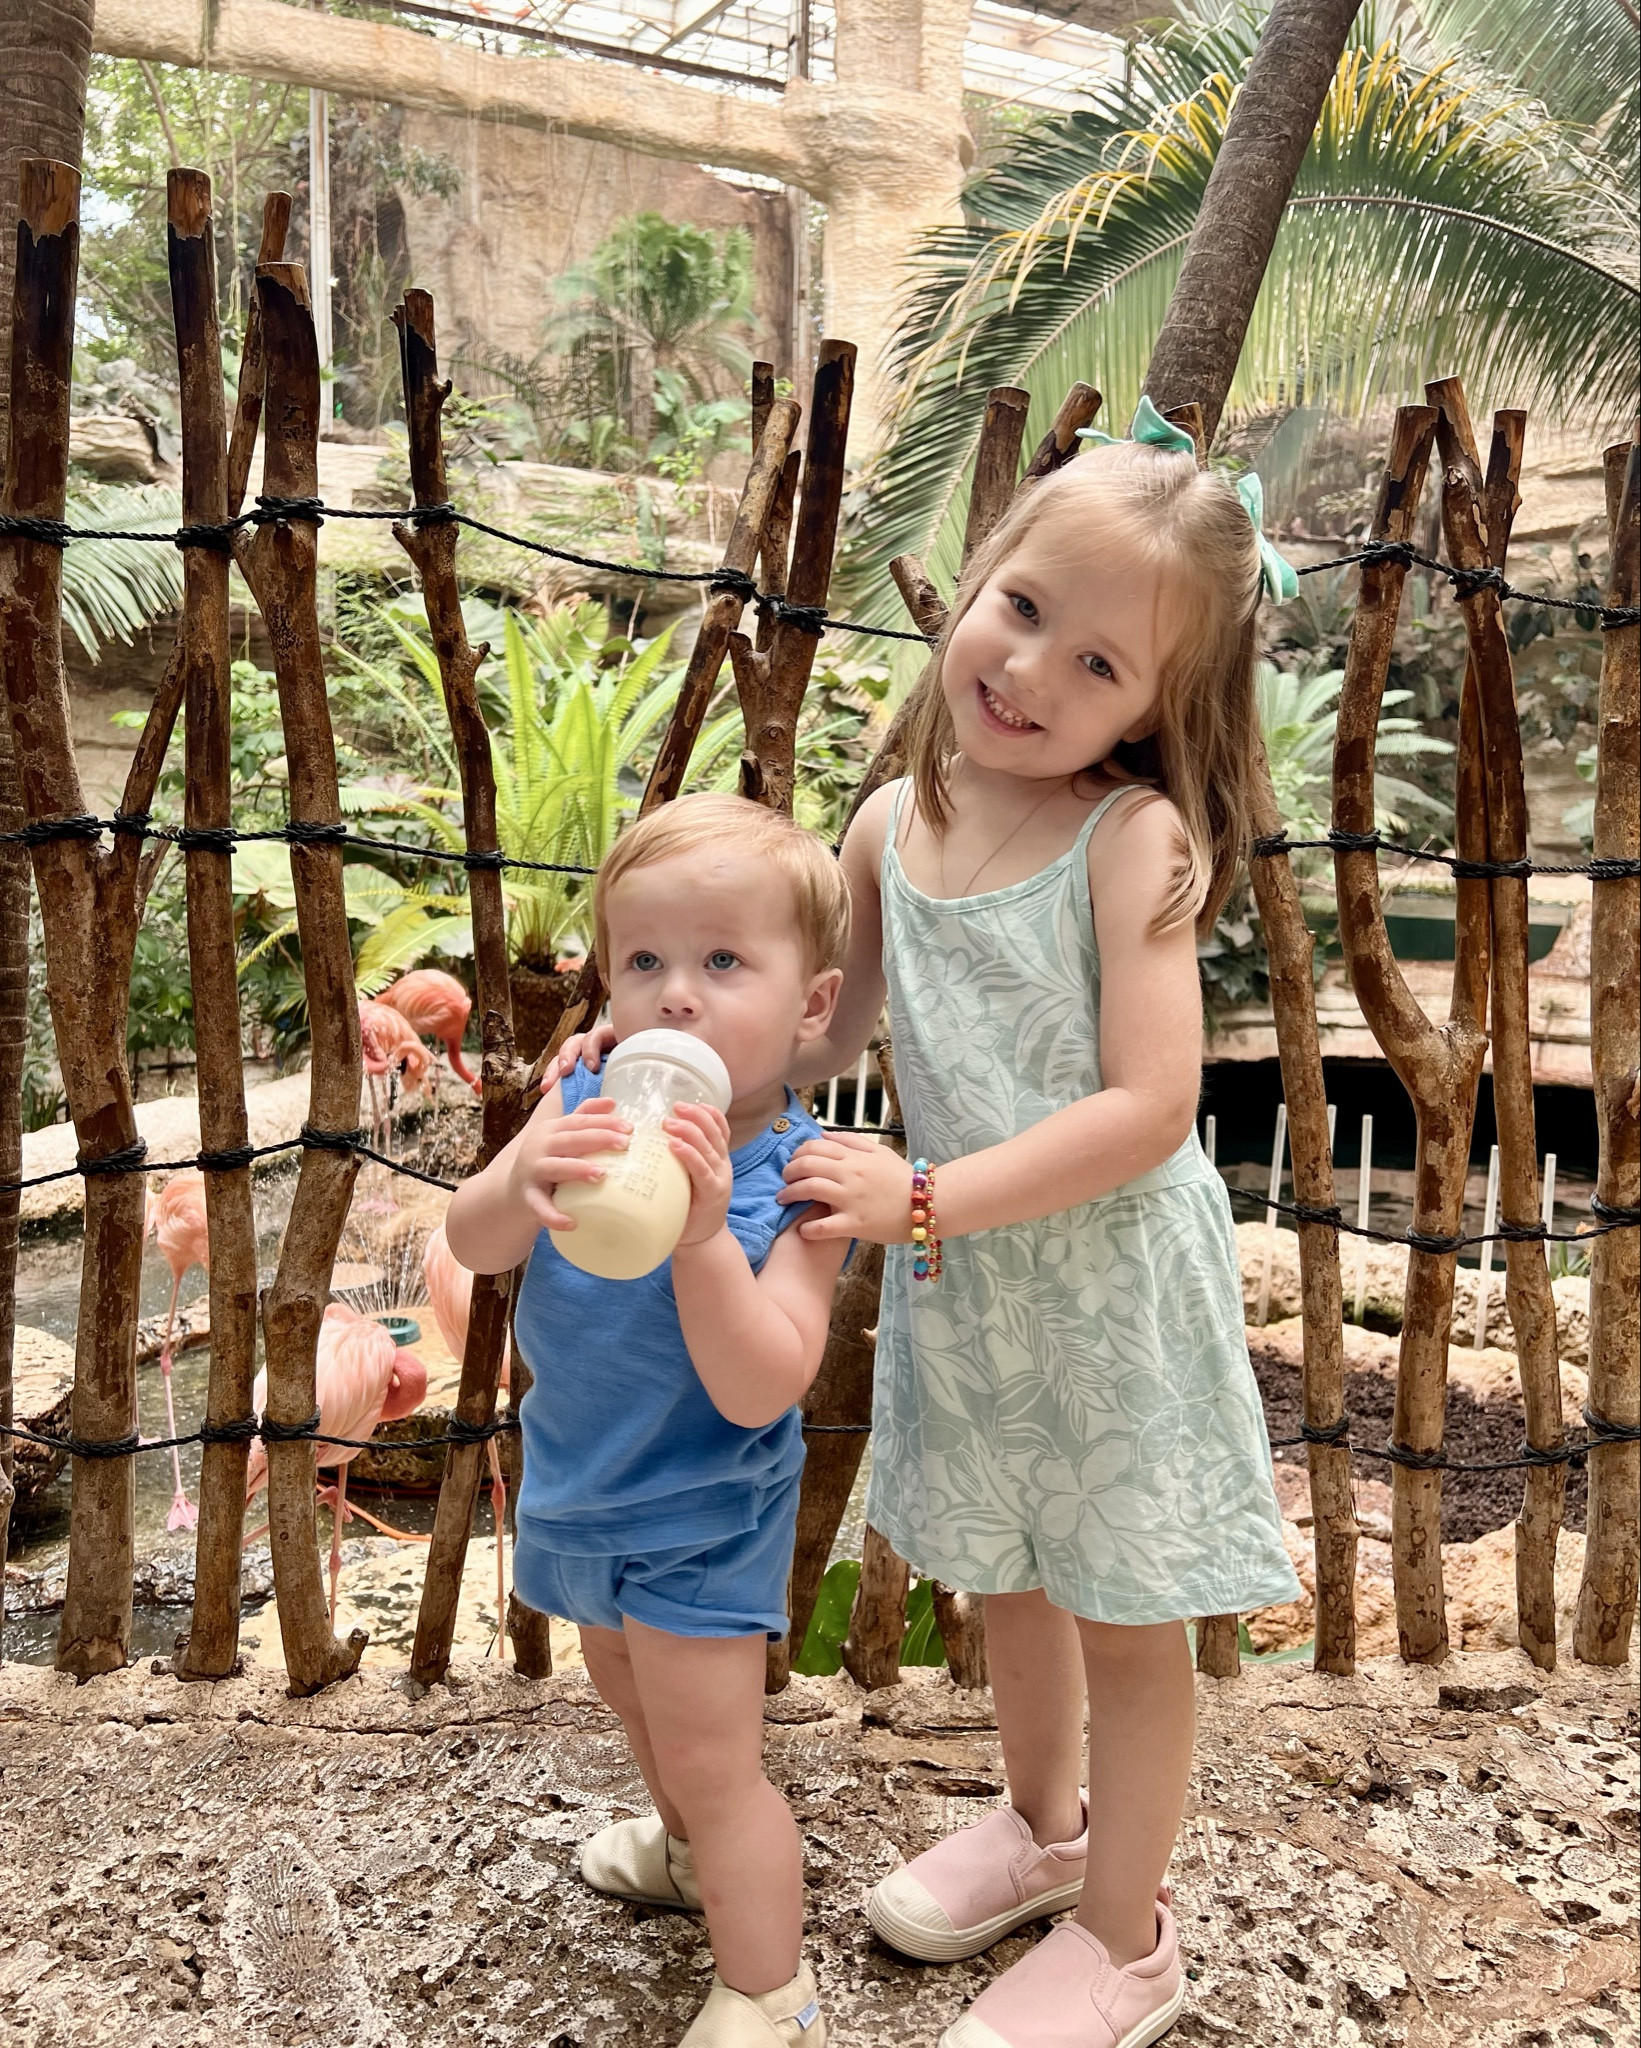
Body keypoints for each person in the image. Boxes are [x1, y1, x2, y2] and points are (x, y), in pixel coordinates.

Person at [777, 407, 1303, 2048]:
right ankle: (1041, 1822)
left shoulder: (1125, 839)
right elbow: (830, 1030)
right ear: (978, 572)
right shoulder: (888, 825)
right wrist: (675, 1036)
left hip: (1107, 1295)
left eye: (1099, 667)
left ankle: (1126, 1933)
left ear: (1156, 712)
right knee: (1009, 1576)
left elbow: (1150, 1104)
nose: (1031, 675)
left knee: (1128, 1614)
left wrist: (921, 1192)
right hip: (977, 1295)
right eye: (1021, 611)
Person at [446, 793, 851, 2048]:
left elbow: (760, 1381)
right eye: (645, 960)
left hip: (700, 1515)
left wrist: (695, 1236)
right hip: (581, 1480)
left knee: (719, 1758)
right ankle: (685, 1853)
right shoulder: (584, 1116)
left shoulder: (802, 1181)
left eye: (725, 960)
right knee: (626, 1690)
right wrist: (525, 1167)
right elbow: (472, 1241)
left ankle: (771, 1986)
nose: (677, 995)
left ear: (812, 1006)